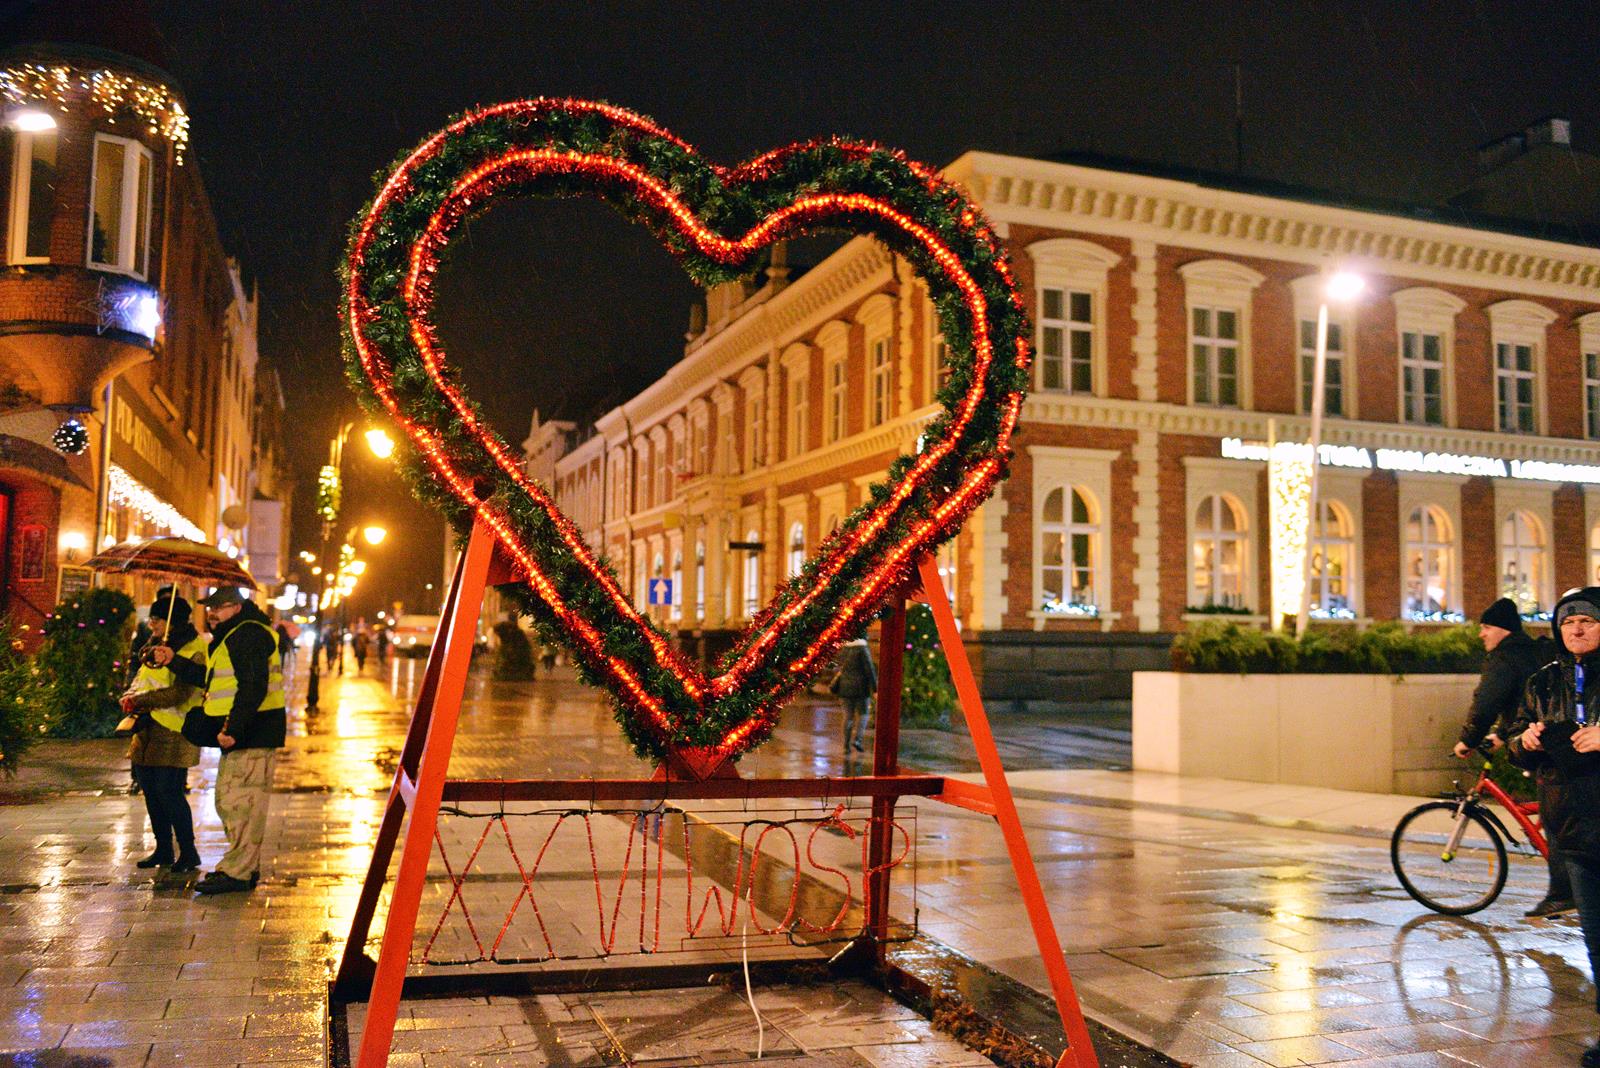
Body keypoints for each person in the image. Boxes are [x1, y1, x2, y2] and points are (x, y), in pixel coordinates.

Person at [1508, 587, 1600, 1066]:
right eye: (1568, 622)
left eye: (1587, 620)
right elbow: (1515, 742)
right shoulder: (1542, 682)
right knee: (1597, 939)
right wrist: (1525, 742)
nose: (1577, 629)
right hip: (1574, 830)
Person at [148, 587, 285, 895]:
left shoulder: (247, 634)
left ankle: (237, 873)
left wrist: (233, 728)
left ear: (236, 607)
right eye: (210, 607)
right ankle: (242, 868)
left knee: (239, 804)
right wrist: (174, 661)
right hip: (244, 734)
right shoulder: (234, 635)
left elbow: (253, 686)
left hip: (250, 734)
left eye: (219, 607)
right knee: (232, 802)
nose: (211, 613)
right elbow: (214, 679)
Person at [1454, 597, 1567, 917]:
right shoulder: (1530, 652)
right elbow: (1522, 702)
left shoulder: (1503, 658)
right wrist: (1503, 735)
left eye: (1486, 628)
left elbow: (1487, 702)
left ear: (1502, 630)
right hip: (1548, 733)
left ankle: (1564, 893)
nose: (1481, 634)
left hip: (1543, 742)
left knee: (1556, 815)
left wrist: (1467, 740)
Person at [121, 594, 205, 873]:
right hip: (147, 727)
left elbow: (181, 693)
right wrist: (131, 695)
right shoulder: (155, 645)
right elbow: (143, 677)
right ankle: (164, 848)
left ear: (172, 621)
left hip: (175, 730)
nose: (152, 624)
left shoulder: (192, 648)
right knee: (150, 791)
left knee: (169, 792)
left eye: (156, 619)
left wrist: (141, 700)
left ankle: (188, 851)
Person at [831, 636, 878, 754]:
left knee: (848, 716)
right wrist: (875, 689)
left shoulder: (844, 649)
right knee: (864, 714)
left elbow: (838, 666)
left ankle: (846, 746)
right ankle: (857, 740)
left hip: (844, 687)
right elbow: (870, 669)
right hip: (861, 688)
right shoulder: (862, 649)